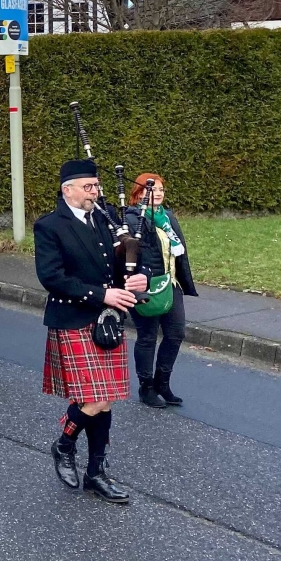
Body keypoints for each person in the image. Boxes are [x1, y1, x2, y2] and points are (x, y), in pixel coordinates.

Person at [35, 159, 148, 503]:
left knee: (105, 399)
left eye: (96, 186)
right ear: (67, 189)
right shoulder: (50, 226)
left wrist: (136, 277)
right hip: (73, 319)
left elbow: (121, 260)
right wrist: (101, 294)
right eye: (88, 187)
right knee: (95, 399)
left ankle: (96, 473)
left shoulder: (103, 219)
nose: (94, 193)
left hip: (107, 320)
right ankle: (64, 444)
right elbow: (51, 277)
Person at [125, 172, 198, 409]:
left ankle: (162, 383)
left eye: (161, 190)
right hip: (145, 286)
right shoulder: (133, 218)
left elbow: (179, 251)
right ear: (139, 193)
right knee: (147, 337)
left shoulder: (166, 217)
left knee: (176, 333)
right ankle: (146, 387)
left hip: (170, 283)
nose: (157, 194)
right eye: (151, 189)